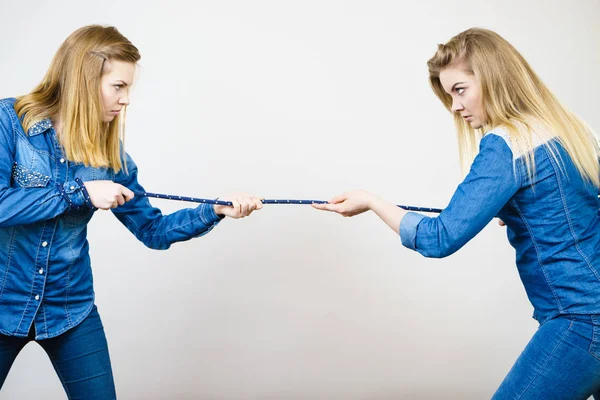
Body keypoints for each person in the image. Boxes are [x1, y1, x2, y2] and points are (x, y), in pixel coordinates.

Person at [313, 28, 600, 399]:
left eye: (460, 89)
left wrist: (372, 202)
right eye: (449, 95)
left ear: (495, 78)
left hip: (581, 320)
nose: (454, 106)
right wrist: (526, 209)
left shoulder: (507, 143)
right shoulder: (572, 129)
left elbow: (439, 238)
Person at [0, 25, 262, 399]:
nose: (125, 100)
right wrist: (81, 191)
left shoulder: (111, 156)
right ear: (83, 81)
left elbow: (153, 231)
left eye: (129, 89)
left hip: (70, 310)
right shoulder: (9, 121)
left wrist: (215, 210)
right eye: (118, 86)